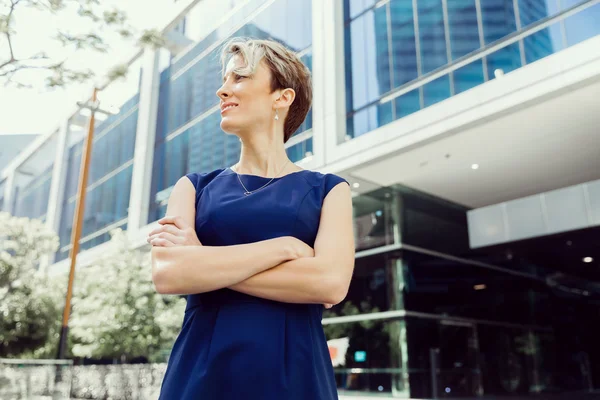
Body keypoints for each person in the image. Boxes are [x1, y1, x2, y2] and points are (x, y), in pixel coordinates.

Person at [147, 37, 355, 400]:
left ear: (282, 97)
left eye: (239, 78)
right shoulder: (193, 187)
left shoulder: (329, 190)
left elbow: (330, 283)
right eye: (226, 80)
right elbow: (170, 273)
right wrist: (284, 247)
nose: (222, 90)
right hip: (200, 373)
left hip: (295, 375)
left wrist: (204, 262)